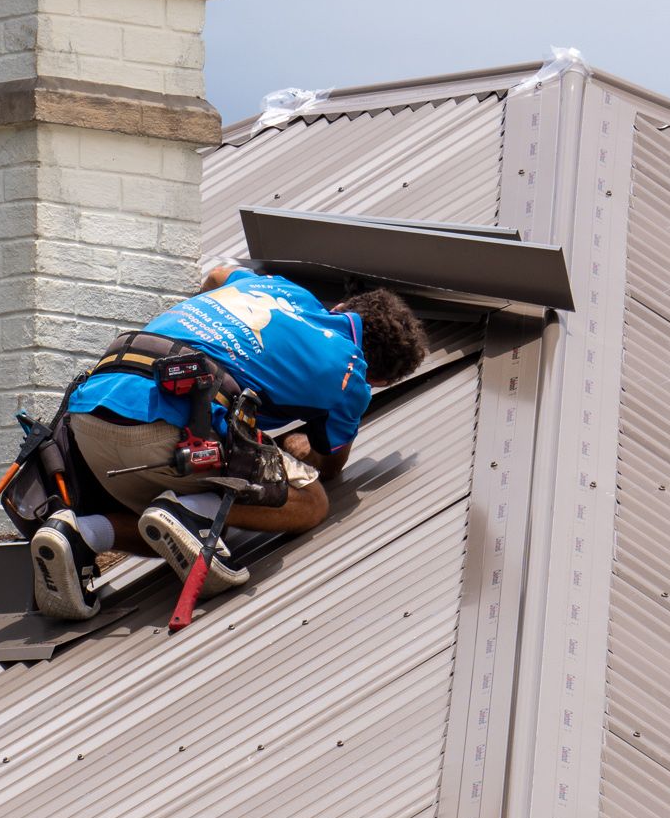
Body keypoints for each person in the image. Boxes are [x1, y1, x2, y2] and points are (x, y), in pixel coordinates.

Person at [29, 264, 427, 620]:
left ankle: (80, 533)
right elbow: (327, 463)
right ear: (381, 381)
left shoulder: (283, 290)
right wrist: (296, 443)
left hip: (90, 416)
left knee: (168, 535)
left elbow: (218, 274)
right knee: (309, 503)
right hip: (168, 429)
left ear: (342, 307)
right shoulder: (351, 373)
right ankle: (193, 513)